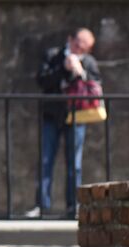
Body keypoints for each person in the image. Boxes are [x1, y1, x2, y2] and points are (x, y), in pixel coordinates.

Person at [25, 28, 100, 219]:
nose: (79, 50)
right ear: (70, 40)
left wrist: (80, 71)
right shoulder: (53, 56)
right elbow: (42, 80)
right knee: (46, 160)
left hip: (77, 117)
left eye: (84, 49)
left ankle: (73, 206)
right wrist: (63, 69)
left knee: (74, 163)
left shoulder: (89, 62)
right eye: (77, 45)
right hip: (52, 114)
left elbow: (96, 88)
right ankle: (42, 206)